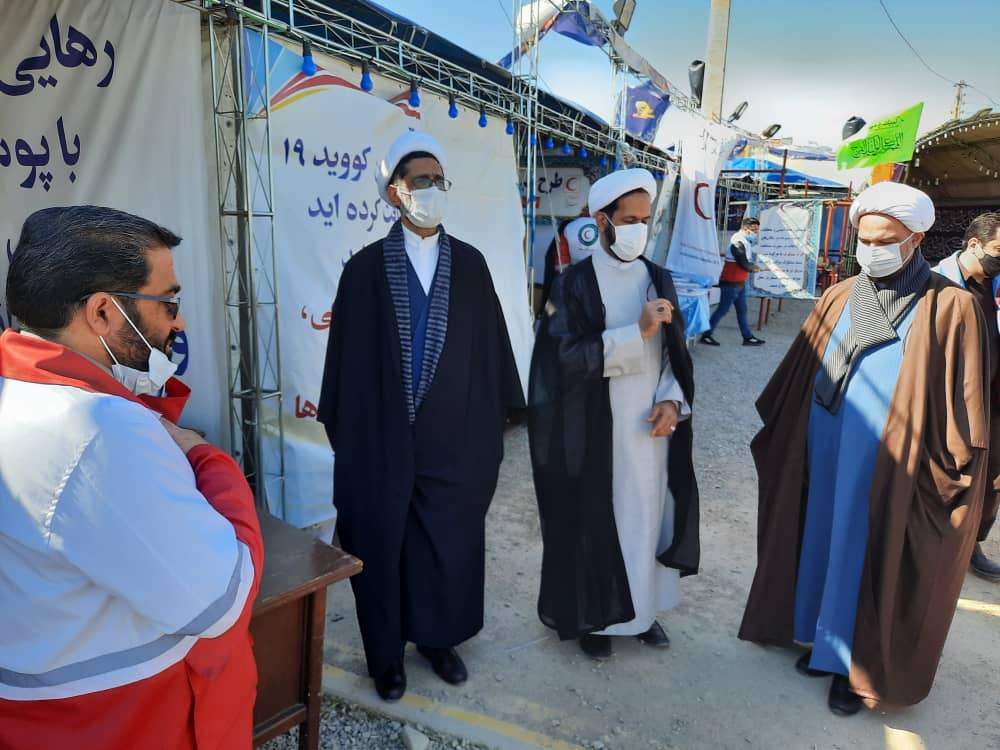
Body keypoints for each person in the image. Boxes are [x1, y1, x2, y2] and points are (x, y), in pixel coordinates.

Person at [0, 206, 263, 749]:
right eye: (168, 303)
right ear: (102, 311)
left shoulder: (22, 391)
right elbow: (222, 600)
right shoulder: (94, 430)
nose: (179, 324)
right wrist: (203, 455)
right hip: (125, 724)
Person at [739, 182, 992, 716]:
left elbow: (966, 403)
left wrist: (954, 470)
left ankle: (851, 666)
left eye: (885, 240)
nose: (872, 249)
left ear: (915, 239)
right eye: (865, 239)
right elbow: (802, 369)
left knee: (865, 549)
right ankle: (817, 637)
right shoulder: (840, 294)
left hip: (889, 463)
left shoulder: (952, 306)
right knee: (819, 536)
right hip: (824, 446)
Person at [317, 131, 524, 701]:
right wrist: (355, 440)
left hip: (452, 440)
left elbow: (492, 357)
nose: (433, 189)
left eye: (439, 179)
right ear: (395, 192)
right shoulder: (363, 271)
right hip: (382, 440)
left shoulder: (472, 266)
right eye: (422, 180)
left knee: (446, 542)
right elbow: (344, 366)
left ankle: (439, 639)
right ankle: (386, 658)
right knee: (381, 544)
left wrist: (487, 433)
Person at [528, 168, 699, 660]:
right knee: (595, 519)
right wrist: (634, 333)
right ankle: (595, 618)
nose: (638, 230)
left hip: (649, 431)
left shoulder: (657, 277)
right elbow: (559, 359)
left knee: (646, 518)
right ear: (601, 221)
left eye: (645, 220)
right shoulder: (573, 283)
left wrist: (671, 400)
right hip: (592, 429)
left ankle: (641, 614)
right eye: (628, 220)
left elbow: (676, 354)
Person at [933, 212, 1000, 582]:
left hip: (994, 401)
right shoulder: (937, 284)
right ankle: (932, 540)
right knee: (948, 473)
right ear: (974, 244)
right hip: (951, 402)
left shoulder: (996, 287)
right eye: (998, 251)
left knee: (992, 481)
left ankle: (971, 544)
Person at [700, 216, 765, 346]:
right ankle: (706, 335)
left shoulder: (744, 241)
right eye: (754, 230)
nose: (756, 233)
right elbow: (743, 263)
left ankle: (747, 337)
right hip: (731, 283)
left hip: (739, 283)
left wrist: (752, 267)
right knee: (722, 310)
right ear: (745, 228)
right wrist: (753, 268)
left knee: (742, 310)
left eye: (757, 230)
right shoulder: (737, 241)